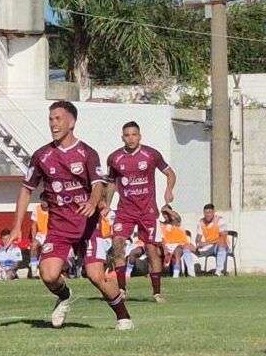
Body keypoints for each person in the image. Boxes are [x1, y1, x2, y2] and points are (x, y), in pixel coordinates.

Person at [12, 101, 133, 330]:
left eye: (58, 119)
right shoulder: (42, 156)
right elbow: (26, 189)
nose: (53, 124)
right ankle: (65, 296)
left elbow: (98, 183)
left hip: (88, 226)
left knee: (96, 275)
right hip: (59, 227)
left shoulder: (87, 153)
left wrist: (92, 201)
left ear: (72, 122)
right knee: (48, 275)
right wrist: (17, 226)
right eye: (50, 119)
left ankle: (123, 316)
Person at [105, 121, 176, 303]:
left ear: (140, 136)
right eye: (127, 135)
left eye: (134, 134)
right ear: (122, 137)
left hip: (147, 210)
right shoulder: (115, 158)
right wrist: (106, 204)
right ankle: (121, 290)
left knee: (152, 250)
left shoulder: (151, 155)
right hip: (125, 210)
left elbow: (170, 173)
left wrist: (168, 190)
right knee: (118, 244)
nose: (131, 138)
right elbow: (112, 183)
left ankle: (157, 292)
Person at [158, 206, 195, 278]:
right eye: (164, 214)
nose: (166, 215)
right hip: (167, 246)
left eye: (167, 213)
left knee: (177, 251)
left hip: (179, 245)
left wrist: (168, 210)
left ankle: (177, 274)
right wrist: (165, 248)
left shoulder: (177, 222)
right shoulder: (162, 224)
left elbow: (177, 217)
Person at [195, 203, 230, 276]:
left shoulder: (220, 220)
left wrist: (206, 243)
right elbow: (198, 237)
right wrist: (198, 243)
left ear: (213, 212)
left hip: (220, 246)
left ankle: (218, 271)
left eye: (209, 212)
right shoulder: (201, 222)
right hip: (208, 247)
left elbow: (223, 237)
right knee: (187, 246)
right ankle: (189, 272)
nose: (207, 215)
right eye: (205, 213)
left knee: (221, 243)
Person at [29, 199, 49, 276]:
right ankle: (34, 270)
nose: (45, 202)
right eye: (43, 200)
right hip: (40, 234)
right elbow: (33, 225)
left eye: (46, 200)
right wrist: (33, 238)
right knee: (33, 246)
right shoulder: (37, 209)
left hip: (50, 234)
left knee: (48, 249)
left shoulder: (53, 208)